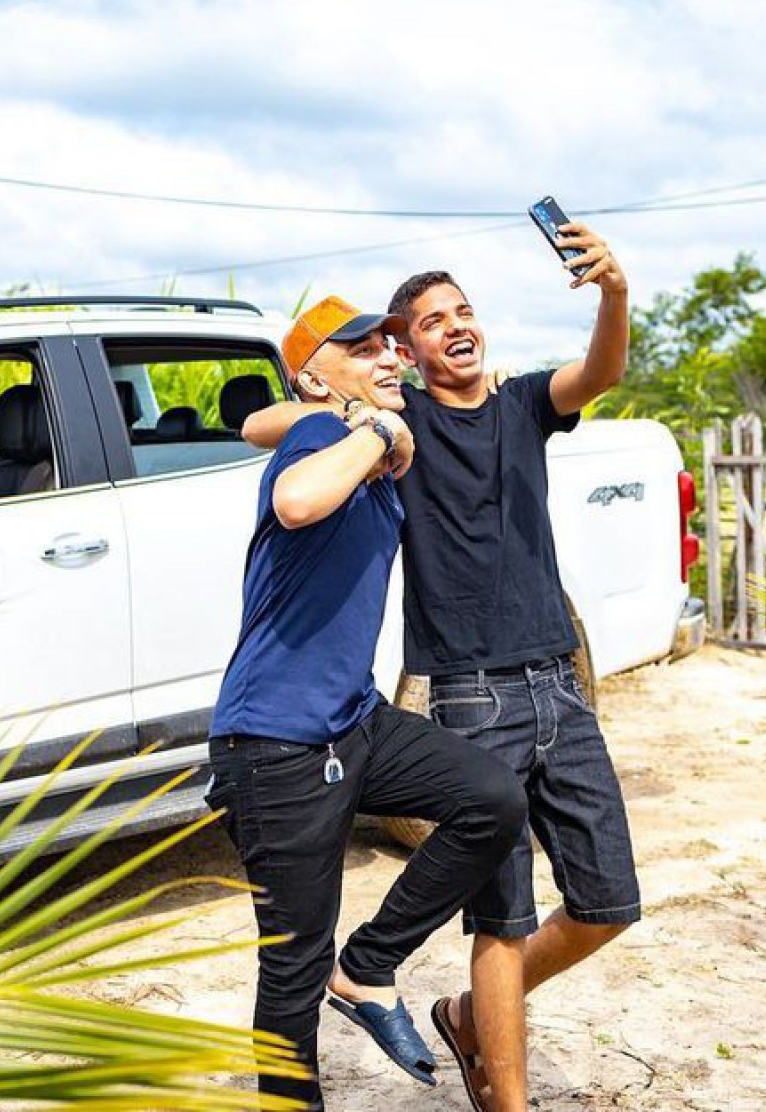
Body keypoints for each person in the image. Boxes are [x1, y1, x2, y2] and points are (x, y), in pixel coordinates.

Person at [242, 222, 637, 1112]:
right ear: (409, 356)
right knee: (501, 920)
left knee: (607, 903)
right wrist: (367, 414)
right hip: (466, 694)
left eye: (464, 312)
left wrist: (613, 289)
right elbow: (260, 422)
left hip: (559, 686)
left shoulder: (525, 403)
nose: (454, 326)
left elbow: (601, 372)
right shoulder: (392, 423)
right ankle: (508, 1097)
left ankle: (462, 1017)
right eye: (427, 322)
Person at [207, 294, 528, 1112]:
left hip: (353, 720)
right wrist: (378, 430)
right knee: (290, 967)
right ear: (317, 377)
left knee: (491, 798)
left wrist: (380, 429)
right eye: (364, 349)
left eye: (391, 344)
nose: (389, 356)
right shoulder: (331, 436)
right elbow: (296, 502)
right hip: (274, 742)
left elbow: (257, 423)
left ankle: (370, 965)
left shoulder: (350, 433)